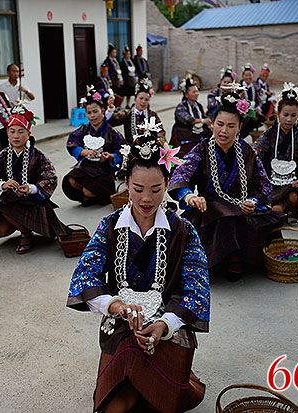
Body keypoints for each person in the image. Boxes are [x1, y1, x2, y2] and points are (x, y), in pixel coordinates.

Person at [66, 130, 209, 412]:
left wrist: (165, 324)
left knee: (154, 399)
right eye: (138, 188)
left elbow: (197, 288)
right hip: (121, 325)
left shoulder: (183, 231)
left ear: (167, 184)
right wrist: (116, 306)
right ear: (126, 185)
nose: (146, 198)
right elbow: (85, 275)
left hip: (167, 326)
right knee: (116, 405)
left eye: (156, 189)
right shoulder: (109, 225)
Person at [168, 86, 282, 281]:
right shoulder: (202, 149)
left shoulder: (247, 151)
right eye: (220, 124)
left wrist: (253, 201)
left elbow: (263, 184)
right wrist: (189, 196)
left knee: (263, 220)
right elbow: (180, 174)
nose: (224, 131)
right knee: (222, 216)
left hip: (241, 206)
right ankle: (231, 258)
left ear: (239, 127)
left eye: (231, 126)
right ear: (212, 123)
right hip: (209, 208)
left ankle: (234, 257)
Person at [0, 105, 67, 254]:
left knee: (5, 206)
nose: (16, 136)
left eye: (20, 131)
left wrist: (31, 188)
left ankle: (26, 234)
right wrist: (2, 184)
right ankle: (23, 228)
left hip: (33, 202)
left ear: (28, 133)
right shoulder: (3, 155)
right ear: (7, 133)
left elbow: (50, 176)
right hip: (11, 198)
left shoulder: (38, 156)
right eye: (12, 131)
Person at [253, 83, 298, 224]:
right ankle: (279, 209)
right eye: (285, 115)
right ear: (278, 114)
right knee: (274, 207)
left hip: (294, 183)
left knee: (293, 197)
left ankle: (289, 210)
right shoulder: (269, 134)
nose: (289, 119)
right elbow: (256, 153)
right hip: (272, 181)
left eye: (293, 115)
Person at [62, 86, 125, 206]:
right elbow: (72, 143)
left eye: (95, 111)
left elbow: (122, 151)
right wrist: (85, 152)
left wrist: (110, 156)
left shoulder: (112, 132)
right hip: (86, 166)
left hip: (104, 170)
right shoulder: (84, 129)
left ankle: (92, 196)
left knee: (88, 191)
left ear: (103, 110)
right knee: (71, 181)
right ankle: (88, 196)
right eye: (89, 113)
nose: (92, 116)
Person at [109, 78, 166, 145]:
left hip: (150, 147)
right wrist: (110, 110)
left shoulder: (152, 115)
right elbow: (111, 121)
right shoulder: (127, 113)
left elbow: (160, 131)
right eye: (141, 98)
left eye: (146, 99)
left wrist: (159, 140)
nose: (143, 101)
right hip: (131, 147)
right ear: (135, 99)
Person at [170, 74, 209, 158]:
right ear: (186, 95)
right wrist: (203, 121)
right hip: (183, 136)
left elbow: (204, 117)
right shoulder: (181, 106)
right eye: (193, 92)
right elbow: (189, 120)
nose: (197, 94)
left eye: (197, 91)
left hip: (196, 134)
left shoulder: (198, 105)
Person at [239, 63, 264, 139]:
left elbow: (259, 99)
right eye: (246, 75)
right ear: (243, 76)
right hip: (242, 111)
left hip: (253, 109)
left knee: (262, 116)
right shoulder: (239, 87)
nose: (248, 77)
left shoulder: (255, 86)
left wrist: (258, 107)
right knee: (248, 118)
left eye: (250, 75)